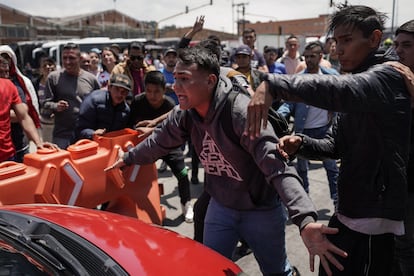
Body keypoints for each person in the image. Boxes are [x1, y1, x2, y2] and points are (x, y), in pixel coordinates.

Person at [107, 45, 347, 276]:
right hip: (221, 208)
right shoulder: (184, 113)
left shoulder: (241, 113)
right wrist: (127, 158)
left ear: (210, 81)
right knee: (210, 267)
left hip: (261, 210)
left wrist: (305, 219)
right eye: (176, 78)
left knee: (276, 271)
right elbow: (159, 142)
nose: (175, 85)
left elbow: (277, 167)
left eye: (184, 79)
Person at [246, 5, 411, 275]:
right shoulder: (358, 80)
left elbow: (341, 92)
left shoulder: (388, 76)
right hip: (349, 211)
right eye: (336, 42)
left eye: (347, 40)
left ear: (374, 39)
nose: (338, 49)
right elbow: (334, 145)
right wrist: (301, 142)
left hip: (372, 220)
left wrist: (273, 84)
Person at [277, 41, 339, 206]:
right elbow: (288, 104)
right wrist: (276, 118)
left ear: (320, 57)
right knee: (302, 169)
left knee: (332, 168)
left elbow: (341, 102)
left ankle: (337, 202)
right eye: (306, 57)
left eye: (313, 56)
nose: (309, 60)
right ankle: (305, 203)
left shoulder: (331, 76)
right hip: (303, 131)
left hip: (325, 131)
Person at [128, 71, 193, 223]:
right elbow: (129, 124)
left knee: (183, 174)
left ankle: (186, 204)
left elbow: (177, 131)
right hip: (144, 146)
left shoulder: (170, 105)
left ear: (165, 90)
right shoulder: (137, 101)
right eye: (149, 91)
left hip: (169, 145)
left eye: (157, 91)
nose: (152, 95)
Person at [387, 19, 414, 276]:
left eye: (406, 45)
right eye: (397, 45)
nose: (399, 51)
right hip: (398, 182)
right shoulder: (394, 81)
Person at [43, 42, 100, 149]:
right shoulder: (54, 78)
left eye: (71, 58)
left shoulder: (91, 79)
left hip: (85, 135)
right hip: (63, 135)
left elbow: (99, 105)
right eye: (64, 58)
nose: (67, 62)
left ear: (79, 58)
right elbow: (45, 104)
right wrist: (56, 106)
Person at [0, 56, 54, 162]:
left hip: (7, 154)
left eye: (6, 70)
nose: (4, 74)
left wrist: (38, 143)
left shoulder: (9, 86)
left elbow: (24, 117)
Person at [76, 73, 131, 140]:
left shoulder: (125, 110)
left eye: (124, 91)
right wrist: (92, 133)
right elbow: (79, 128)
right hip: (86, 144)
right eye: (117, 89)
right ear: (109, 88)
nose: (120, 94)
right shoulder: (93, 100)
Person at [32, 57, 57, 142]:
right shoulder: (36, 83)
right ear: (40, 69)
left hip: (57, 119)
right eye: (44, 65)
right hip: (42, 119)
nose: (47, 67)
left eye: (50, 64)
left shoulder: (59, 81)